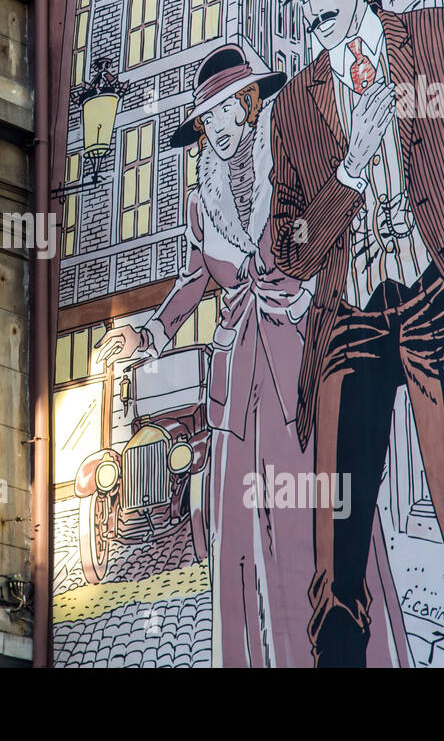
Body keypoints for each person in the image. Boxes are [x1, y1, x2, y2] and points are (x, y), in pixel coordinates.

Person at [97, 45, 404, 667]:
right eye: (205, 122)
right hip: (238, 381)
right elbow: (192, 283)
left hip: (300, 361)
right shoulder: (200, 199)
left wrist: (353, 173)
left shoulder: (287, 162)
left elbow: (328, 232)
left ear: (249, 103)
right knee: (242, 528)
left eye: (224, 114)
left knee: (315, 513)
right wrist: (147, 335)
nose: (216, 131)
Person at [271, 0, 444, 667]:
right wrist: (347, 172)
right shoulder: (293, 105)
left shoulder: (430, 37)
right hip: (348, 317)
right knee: (335, 545)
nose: (309, 10)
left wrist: (439, 101)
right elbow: (289, 248)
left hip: (436, 291)